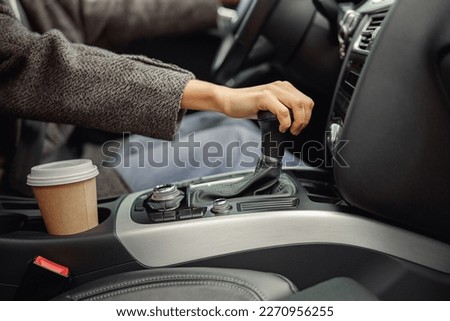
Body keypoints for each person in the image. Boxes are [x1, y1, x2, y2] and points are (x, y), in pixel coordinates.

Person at [0, 0, 314, 196]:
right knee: (238, 148)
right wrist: (220, 96)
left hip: (63, 150)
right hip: (41, 181)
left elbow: (100, 10)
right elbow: (41, 66)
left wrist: (219, 3)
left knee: (231, 130)